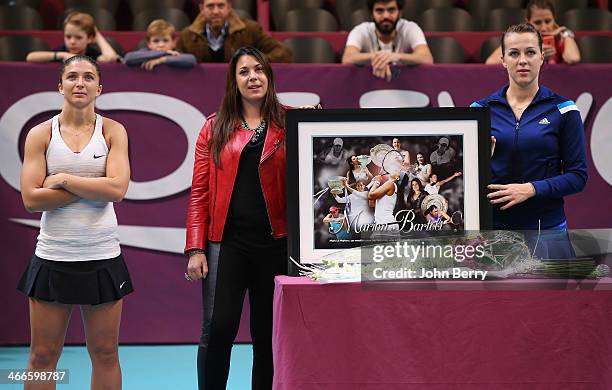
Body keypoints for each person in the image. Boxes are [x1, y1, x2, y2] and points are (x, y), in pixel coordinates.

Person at [17, 55, 132, 389]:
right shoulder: (40, 134)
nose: (79, 83)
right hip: (53, 258)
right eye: (72, 77)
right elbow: (31, 199)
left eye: (87, 77)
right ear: (60, 86)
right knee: (42, 356)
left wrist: (64, 178)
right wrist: (96, 187)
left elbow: (118, 189)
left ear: (99, 87)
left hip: (103, 258)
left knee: (106, 353)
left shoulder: (113, 131)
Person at [184, 46, 289, 389]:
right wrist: (196, 248)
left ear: (269, 77)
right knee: (218, 330)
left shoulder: (290, 122)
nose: (253, 77)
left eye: (259, 70)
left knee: (267, 336)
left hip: (276, 246)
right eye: (244, 71)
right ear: (234, 81)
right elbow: (199, 192)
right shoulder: (214, 128)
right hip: (227, 246)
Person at [472, 23, 587, 258]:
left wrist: (532, 189)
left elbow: (578, 176)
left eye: (530, 52)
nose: (522, 60)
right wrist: (480, 162)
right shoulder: (478, 111)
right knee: (493, 298)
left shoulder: (565, 110)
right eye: (514, 53)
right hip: (494, 232)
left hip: (547, 230)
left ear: (542, 57)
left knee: (555, 296)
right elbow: (462, 181)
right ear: (503, 60)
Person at [342, 0, 433, 81]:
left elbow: (426, 58)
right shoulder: (361, 30)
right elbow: (348, 58)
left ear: (400, 13)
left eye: (391, 10)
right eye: (379, 10)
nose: (386, 16)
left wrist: (396, 56)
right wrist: (380, 57)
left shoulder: (410, 28)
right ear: (371, 14)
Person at [177, 0, 292, 63]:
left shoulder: (250, 30)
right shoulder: (187, 35)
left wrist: (254, 61)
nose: (216, 11)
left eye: (221, 6)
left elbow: (284, 53)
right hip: (201, 90)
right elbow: (177, 58)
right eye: (210, 6)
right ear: (202, 9)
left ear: (229, 7)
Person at [485, 0, 580, 65]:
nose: (544, 28)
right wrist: (534, 53)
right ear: (528, 22)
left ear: (554, 19)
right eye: (537, 22)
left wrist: (566, 33)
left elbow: (573, 58)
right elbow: (490, 62)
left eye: (548, 21)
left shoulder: (562, 37)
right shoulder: (519, 39)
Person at [27, 12, 119, 63]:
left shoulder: (92, 54)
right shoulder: (61, 51)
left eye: (78, 37)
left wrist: (97, 36)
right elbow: (30, 57)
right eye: (68, 36)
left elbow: (111, 58)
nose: (72, 41)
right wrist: (62, 55)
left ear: (90, 38)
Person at [124, 19, 197, 70]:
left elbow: (191, 59)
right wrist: (164, 53)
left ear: (174, 43)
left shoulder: (175, 54)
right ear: (149, 44)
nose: (161, 45)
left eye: (165, 40)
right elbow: (128, 58)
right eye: (156, 41)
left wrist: (162, 60)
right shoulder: (145, 52)